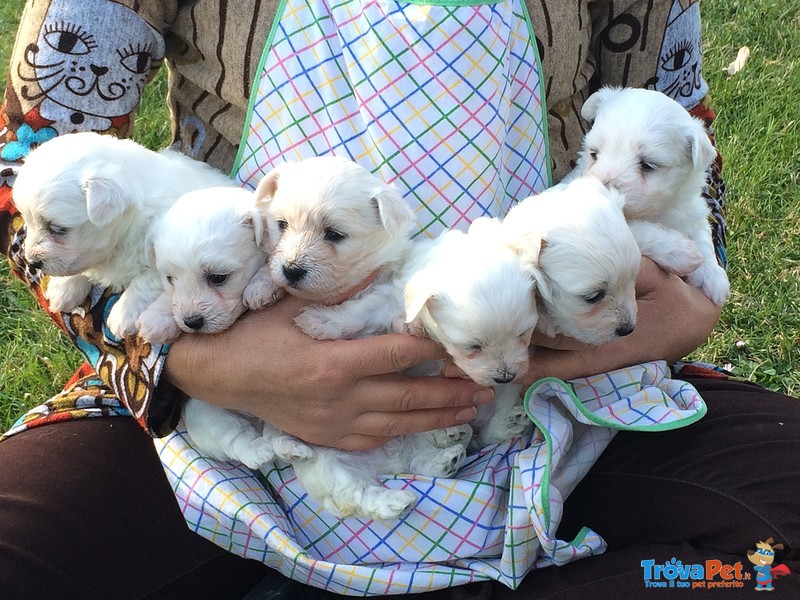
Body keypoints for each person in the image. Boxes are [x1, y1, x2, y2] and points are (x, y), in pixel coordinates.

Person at [0, 1, 797, 599]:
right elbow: (27, 173)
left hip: (557, 379)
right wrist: (198, 359)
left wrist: (690, 296)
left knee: (776, 557)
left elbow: (681, 135)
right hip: (209, 389)